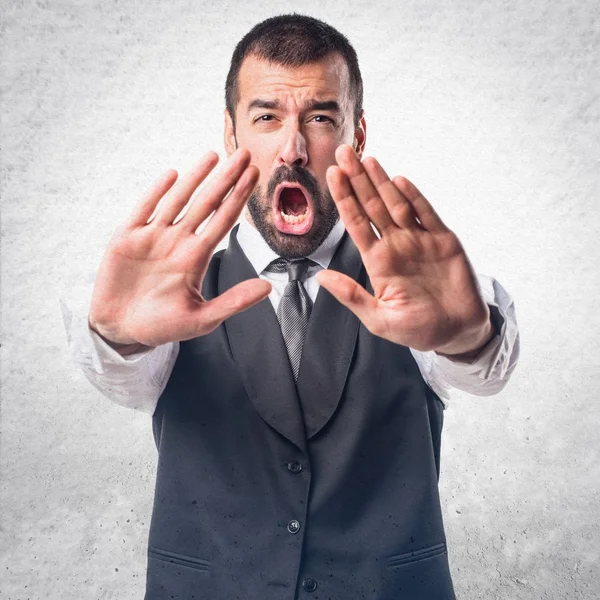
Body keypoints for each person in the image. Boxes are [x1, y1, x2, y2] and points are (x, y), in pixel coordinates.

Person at [64, 14, 520, 600]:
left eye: (321, 117)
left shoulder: (415, 285)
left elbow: (485, 371)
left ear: (357, 134)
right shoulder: (174, 291)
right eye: (266, 117)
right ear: (231, 134)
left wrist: (470, 335)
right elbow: (123, 381)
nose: (293, 148)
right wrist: (117, 336)